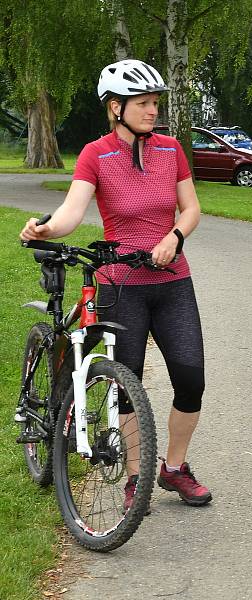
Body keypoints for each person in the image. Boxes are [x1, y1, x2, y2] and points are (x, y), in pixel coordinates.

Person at [19, 59, 212, 507]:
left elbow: (191, 209)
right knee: (126, 382)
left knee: (191, 378)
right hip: (121, 285)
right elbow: (71, 213)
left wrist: (175, 236)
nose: (152, 110)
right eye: (143, 103)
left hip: (172, 281)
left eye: (155, 102)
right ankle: (135, 478)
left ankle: (175, 468)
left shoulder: (170, 150)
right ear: (115, 108)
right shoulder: (96, 154)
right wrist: (45, 229)